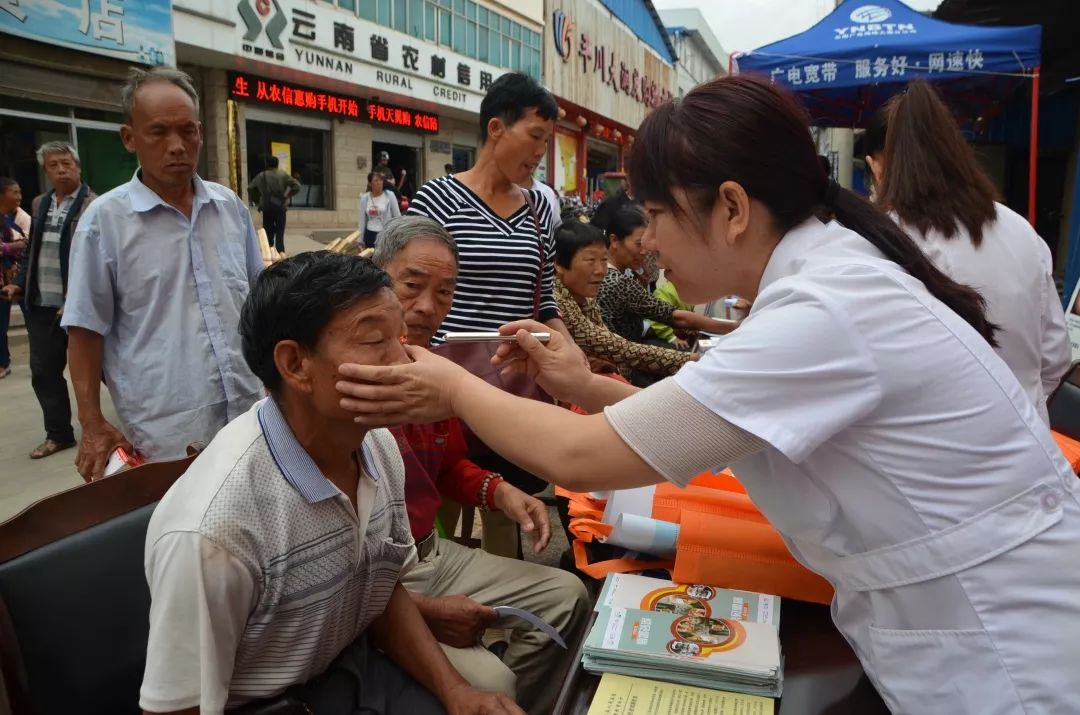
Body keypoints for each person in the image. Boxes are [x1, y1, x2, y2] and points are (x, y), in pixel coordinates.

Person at [335, 75, 1080, 714]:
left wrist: (451, 384)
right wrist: (579, 381)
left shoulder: (822, 310)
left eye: (656, 216)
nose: (647, 241)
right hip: (956, 622)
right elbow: (696, 412)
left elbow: (582, 455)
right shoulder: (824, 279)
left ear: (730, 207)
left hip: (1000, 649)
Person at [140, 251, 522, 715]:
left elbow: (378, 585)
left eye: (399, 337)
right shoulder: (215, 532)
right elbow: (175, 708)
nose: (405, 361)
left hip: (347, 666)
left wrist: (457, 692)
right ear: (295, 364)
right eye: (376, 340)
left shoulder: (378, 446)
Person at [371, 216, 589, 715]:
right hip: (380, 581)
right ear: (376, 275)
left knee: (569, 596)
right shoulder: (350, 378)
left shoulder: (437, 369)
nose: (427, 307)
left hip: (430, 554)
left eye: (445, 292)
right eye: (411, 285)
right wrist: (422, 610)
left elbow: (446, 466)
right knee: (492, 679)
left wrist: (500, 491)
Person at [62, 67, 264, 480]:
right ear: (129, 138)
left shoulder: (229, 208)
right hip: (167, 436)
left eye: (187, 131)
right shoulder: (105, 223)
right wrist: (92, 422)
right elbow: (84, 331)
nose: (177, 146)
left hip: (250, 417)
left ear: (201, 133)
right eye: (158, 132)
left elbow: (259, 302)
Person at [863, 80, 1070, 424]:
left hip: (936, 455)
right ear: (956, 153)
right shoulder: (1020, 229)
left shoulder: (877, 240)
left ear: (876, 167)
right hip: (1031, 445)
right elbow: (1055, 359)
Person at [406, 72, 566, 344]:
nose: (540, 150)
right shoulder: (437, 199)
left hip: (516, 374)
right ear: (495, 128)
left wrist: (569, 347)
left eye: (546, 141)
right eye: (535, 135)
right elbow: (406, 287)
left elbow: (545, 300)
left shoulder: (539, 207)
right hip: (446, 371)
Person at [1, 142, 97, 458]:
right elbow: (31, 250)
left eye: (67, 163)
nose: (61, 170)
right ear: (46, 170)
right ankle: (59, 434)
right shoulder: (40, 203)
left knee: (106, 366)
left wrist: (80, 292)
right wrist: (18, 285)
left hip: (80, 304)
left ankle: (139, 416)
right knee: (44, 372)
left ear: (78, 167)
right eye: (54, 165)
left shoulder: (92, 205)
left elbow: (96, 254)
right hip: (42, 304)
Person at [555, 219, 694, 377]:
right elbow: (615, 347)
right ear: (559, 264)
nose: (601, 270)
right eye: (590, 261)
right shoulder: (556, 301)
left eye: (603, 260)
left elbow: (608, 342)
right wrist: (690, 359)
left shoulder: (587, 295)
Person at [597, 205, 733, 342]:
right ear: (614, 241)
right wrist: (734, 327)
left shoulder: (608, 273)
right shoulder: (619, 282)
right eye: (638, 244)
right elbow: (674, 316)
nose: (644, 251)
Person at [0, 177, 27, 379]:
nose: (19, 197)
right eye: (14, 192)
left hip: (11, 279)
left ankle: (3, 362)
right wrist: (12, 247)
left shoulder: (11, 218)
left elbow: (27, 242)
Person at [248, 155, 300, 255]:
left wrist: (257, 200)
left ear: (267, 164)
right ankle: (280, 253)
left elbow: (250, 188)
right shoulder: (283, 175)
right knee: (280, 231)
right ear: (277, 164)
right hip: (280, 206)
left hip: (267, 207)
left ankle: (269, 252)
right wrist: (287, 195)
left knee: (268, 231)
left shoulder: (262, 175)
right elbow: (297, 186)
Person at [359, 171, 401, 249]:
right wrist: (360, 239)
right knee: (370, 259)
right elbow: (362, 220)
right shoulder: (365, 198)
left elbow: (397, 216)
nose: (379, 182)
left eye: (381, 180)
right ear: (370, 183)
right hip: (370, 234)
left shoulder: (389, 195)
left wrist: (399, 235)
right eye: (376, 180)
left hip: (385, 234)